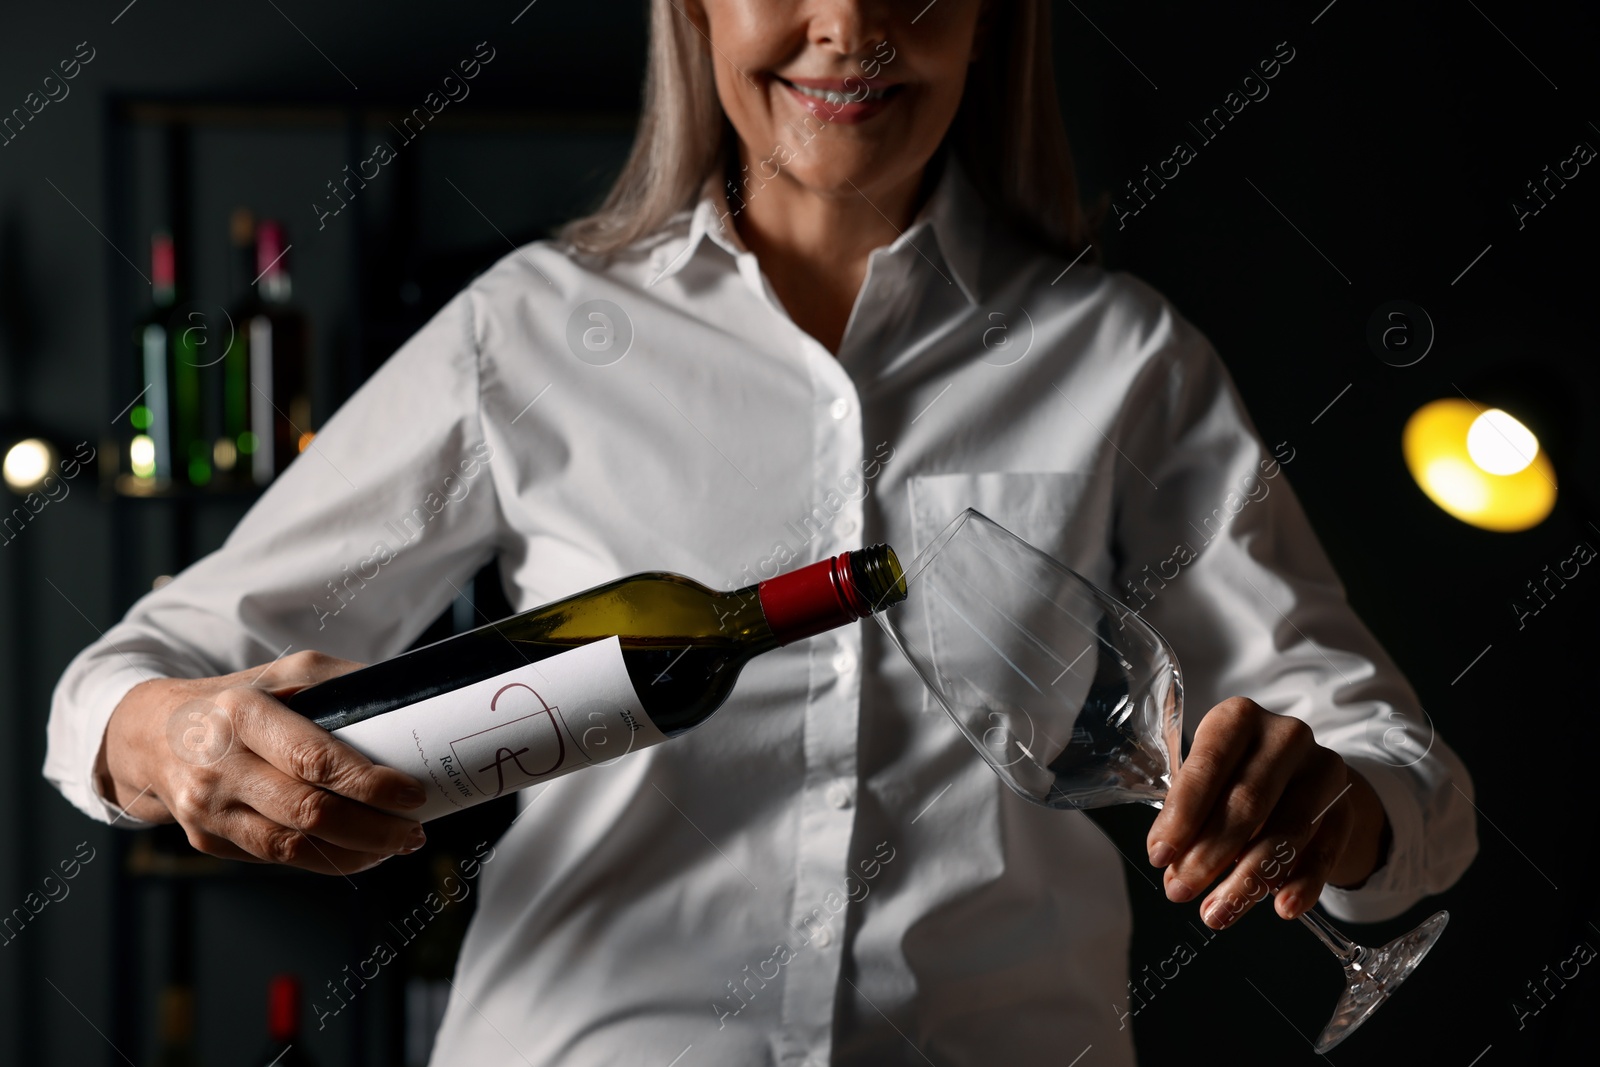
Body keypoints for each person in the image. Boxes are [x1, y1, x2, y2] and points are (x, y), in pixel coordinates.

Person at [47, 1, 1477, 1063]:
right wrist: (165, 735)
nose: (847, 26)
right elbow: (136, 673)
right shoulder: (533, 333)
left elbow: (1401, 778)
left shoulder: (1122, 360)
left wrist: (1329, 809)